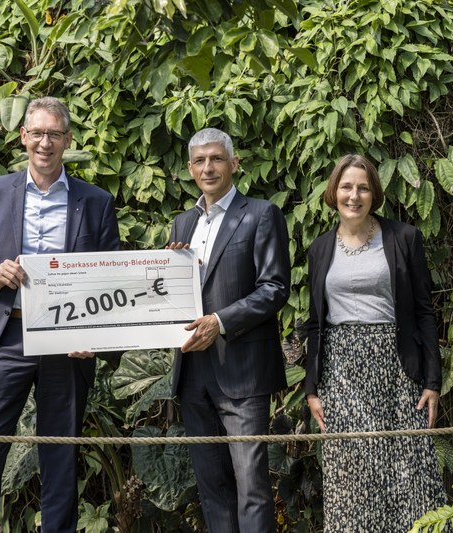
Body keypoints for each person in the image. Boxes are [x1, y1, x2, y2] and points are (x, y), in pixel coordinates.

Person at [0, 96, 120, 532]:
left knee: (60, 457)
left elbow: (112, 279)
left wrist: (97, 338)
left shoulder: (96, 201)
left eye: (55, 134)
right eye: (37, 133)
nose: (45, 142)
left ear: (67, 140)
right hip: (7, 335)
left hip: (68, 345)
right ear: (24, 137)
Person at [304, 154, 446, 531]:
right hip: (340, 372)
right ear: (334, 192)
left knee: (410, 475)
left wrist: (432, 382)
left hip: (398, 368)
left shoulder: (403, 238)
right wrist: (312, 388)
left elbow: (423, 311)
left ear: (374, 194)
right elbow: (316, 323)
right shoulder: (319, 249)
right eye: (347, 187)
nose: (355, 196)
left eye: (363, 187)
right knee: (351, 478)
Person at [167, 128, 290, 533]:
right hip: (192, 372)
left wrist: (220, 322)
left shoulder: (260, 213)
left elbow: (274, 288)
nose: (208, 168)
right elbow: (171, 296)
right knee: (212, 487)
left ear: (234, 164)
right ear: (189, 169)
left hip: (243, 372)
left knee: (251, 484)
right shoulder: (181, 224)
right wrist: (165, 275)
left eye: (217, 159)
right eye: (200, 161)